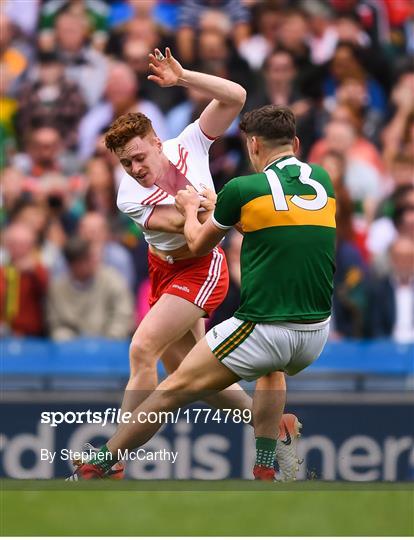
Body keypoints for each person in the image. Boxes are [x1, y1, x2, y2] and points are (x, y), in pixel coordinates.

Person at [68, 105, 335, 482]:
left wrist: (197, 208)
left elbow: (197, 241)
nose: (136, 169)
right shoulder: (322, 181)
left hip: (215, 280)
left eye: (140, 157)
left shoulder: (218, 168)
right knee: (189, 374)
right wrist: (208, 207)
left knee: (152, 361)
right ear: (294, 143)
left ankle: (109, 458)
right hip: (305, 325)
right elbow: (193, 225)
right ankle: (271, 439)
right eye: (126, 163)